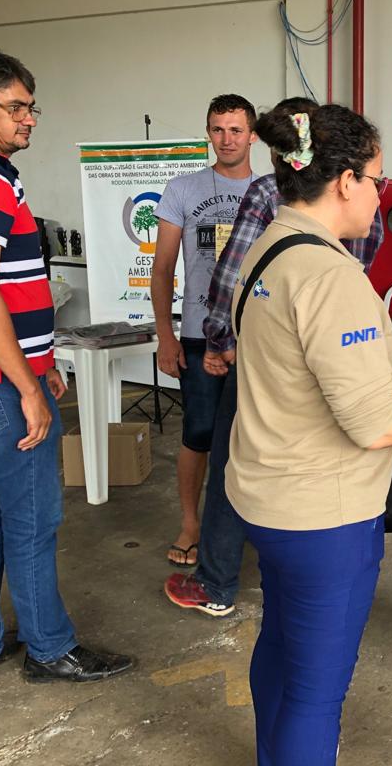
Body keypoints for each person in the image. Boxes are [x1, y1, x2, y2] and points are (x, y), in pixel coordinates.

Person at [229, 103, 392, 765]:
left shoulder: (269, 245)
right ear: (344, 182)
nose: (379, 195)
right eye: (376, 180)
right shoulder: (329, 276)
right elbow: (377, 425)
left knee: (281, 647)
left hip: (266, 495)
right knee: (317, 692)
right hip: (324, 515)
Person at [0, 43, 132, 688]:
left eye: (31, 107)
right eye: (16, 107)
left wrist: (39, 364)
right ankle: (49, 648)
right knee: (35, 518)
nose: (29, 119)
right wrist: (27, 386)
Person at [162, 97, 384, 617]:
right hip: (328, 356)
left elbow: (230, 275)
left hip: (264, 354)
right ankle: (294, 574)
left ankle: (217, 583)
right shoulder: (357, 213)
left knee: (235, 457)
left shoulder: (269, 194)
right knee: (318, 459)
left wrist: (219, 341)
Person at [151, 94, 259, 567]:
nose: (226, 139)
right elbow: (162, 269)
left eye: (236, 130)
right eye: (218, 129)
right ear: (208, 133)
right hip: (199, 334)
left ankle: (248, 521)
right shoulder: (183, 189)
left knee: (255, 436)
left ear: (253, 135)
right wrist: (166, 335)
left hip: (258, 337)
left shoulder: (272, 191)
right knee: (198, 432)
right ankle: (192, 524)